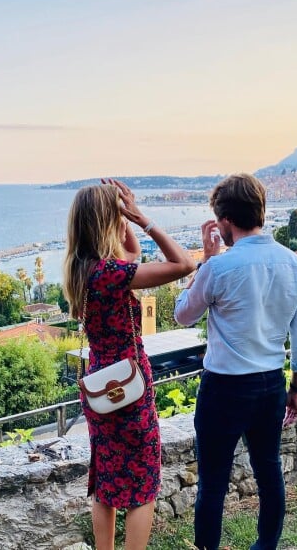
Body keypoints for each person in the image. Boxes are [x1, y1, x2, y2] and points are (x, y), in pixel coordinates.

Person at [174, 173, 297, 550]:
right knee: (269, 471)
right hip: (270, 383)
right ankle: (266, 545)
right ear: (261, 211)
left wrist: (206, 259)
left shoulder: (219, 268)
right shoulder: (293, 263)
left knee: (213, 481)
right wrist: (296, 390)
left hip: (223, 387)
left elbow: (183, 315)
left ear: (224, 222)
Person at [63, 179, 195, 550]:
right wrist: (140, 219)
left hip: (99, 388)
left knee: (104, 479)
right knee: (143, 483)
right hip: (131, 387)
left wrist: (123, 224)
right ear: (109, 220)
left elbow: (132, 258)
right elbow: (182, 264)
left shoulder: (83, 271)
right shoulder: (112, 275)